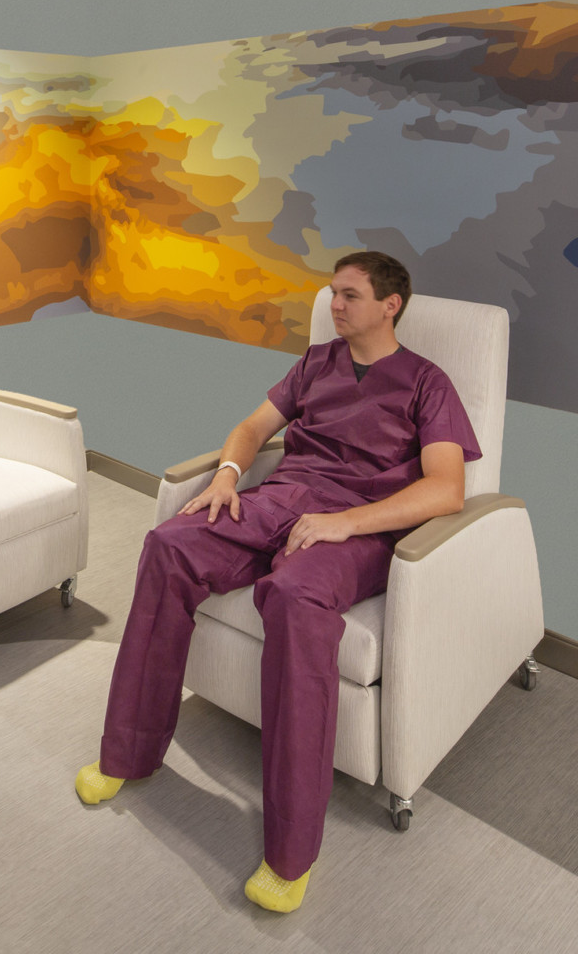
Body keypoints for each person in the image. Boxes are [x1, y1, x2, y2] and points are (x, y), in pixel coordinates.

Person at [75, 251, 480, 914]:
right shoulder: (315, 363)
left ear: (390, 304)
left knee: (294, 596)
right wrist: (230, 476)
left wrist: (345, 524)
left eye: (349, 295)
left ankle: (291, 856)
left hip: (360, 527)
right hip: (281, 496)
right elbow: (252, 428)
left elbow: (446, 489)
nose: (335, 306)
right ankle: (129, 753)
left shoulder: (426, 383)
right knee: (169, 544)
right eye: (333, 294)